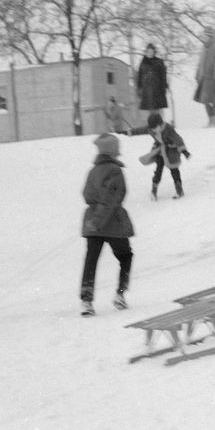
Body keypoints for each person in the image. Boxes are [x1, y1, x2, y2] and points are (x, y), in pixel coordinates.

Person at [80, 133, 134, 316]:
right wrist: (99, 221)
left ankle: (86, 301)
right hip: (112, 223)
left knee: (91, 260)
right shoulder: (115, 171)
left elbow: (87, 194)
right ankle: (120, 295)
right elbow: (110, 199)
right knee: (125, 256)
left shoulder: (92, 171)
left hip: (92, 222)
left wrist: (94, 220)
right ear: (113, 150)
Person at [142, 113, 190, 200]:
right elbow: (140, 130)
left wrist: (184, 151)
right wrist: (128, 132)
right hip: (160, 151)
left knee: (174, 170)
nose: (153, 130)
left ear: (160, 124)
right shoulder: (151, 129)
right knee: (158, 170)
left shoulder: (168, 129)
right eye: (152, 128)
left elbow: (178, 139)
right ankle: (154, 190)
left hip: (171, 152)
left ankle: (179, 190)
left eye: (155, 127)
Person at [194, 28, 215, 126]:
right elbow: (200, 63)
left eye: (206, 36)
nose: (204, 38)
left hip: (214, 78)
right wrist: (197, 74)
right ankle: (210, 119)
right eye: (203, 36)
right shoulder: (203, 48)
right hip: (204, 78)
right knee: (205, 100)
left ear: (210, 37)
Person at [137, 43, 169, 119]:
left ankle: (158, 124)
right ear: (146, 52)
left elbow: (163, 76)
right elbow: (139, 76)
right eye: (148, 51)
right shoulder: (143, 63)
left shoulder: (159, 62)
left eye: (151, 51)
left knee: (157, 109)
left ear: (154, 52)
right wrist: (139, 88)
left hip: (157, 89)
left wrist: (164, 87)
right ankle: (152, 125)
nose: (150, 53)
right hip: (146, 89)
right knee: (150, 109)